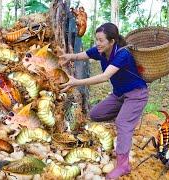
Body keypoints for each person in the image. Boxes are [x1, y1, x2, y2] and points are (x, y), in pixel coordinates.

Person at [59, 23, 148, 179]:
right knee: (95, 114)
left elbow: (105, 76)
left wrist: (76, 82)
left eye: (101, 40)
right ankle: (127, 116)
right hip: (119, 95)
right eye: (96, 40)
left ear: (112, 41)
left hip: (136, 94)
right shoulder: (101, 51)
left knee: (123, 123)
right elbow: (84, 55)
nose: (97, 43)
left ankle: (123, 165)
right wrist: (70, 57)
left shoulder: (122, 54)